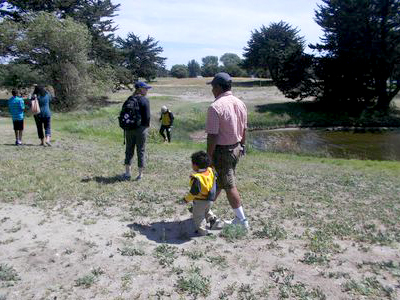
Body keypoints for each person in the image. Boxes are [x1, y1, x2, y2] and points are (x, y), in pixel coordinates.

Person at [205, 72, 249, 229]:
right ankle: (205, 210)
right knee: (221, 182)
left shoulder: (215, 106)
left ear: (218, 87)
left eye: (212, 87)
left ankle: (242, 221)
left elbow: (212, 136)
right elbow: (244, 129)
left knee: (229, 184)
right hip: (236, 149)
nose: (211, 90)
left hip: (222, 152)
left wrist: (208, 158)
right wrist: (242, 146)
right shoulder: (240, 103)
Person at [183, 151, 221, 236]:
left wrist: (186, 199)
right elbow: (216, 176)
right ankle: (212, 219)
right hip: (210, 198)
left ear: (195, 165)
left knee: (198, 216)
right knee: (207, 210)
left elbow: (193, 192)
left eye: (192, 164)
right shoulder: (210, 171)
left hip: (200, 200)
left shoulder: (197, 178)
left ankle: (202, 231)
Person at [122, 81, 151, 180]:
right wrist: (147, 126)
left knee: (129, 150)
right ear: (140, 89)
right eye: (146, 88)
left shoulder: (130, 99)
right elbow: (147, 117)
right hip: (141, 129)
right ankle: (140, 175)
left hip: (129, 128)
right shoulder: (144, 100)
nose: (147, 90)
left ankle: (127, 173)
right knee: (141, 150)